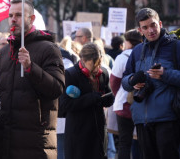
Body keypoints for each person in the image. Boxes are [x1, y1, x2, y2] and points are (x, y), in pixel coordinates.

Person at [0, 0, 65, 159]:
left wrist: (30, 68)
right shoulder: (4, 53)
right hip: (5, 143)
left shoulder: (49, 49)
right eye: (10, 15)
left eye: (19, 15)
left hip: (35, 143)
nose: (13, 19)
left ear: (31, 19)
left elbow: (56, 88)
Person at [122, 8, 180, 159]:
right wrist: (132, 81)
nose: (151, 30)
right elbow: (124, 80)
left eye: (153, 25)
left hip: (168, 119)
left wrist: (165, 74)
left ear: (160, 23)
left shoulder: (175, 47)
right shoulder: (136, 51)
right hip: (142, 120)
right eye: (145, 27)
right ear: (140, 30)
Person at [60, 43, 114, 159]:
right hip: (78, 132)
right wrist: (91, 98)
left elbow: (108, 96)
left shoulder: (103, 73)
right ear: (83, 60)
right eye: (93, 64)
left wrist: (108, 98)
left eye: (99, 63)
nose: (97, 68)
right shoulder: (70, 74)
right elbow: (65, 105)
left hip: (98, 132)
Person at [110, 29, 143, 159]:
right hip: (142, 101)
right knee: (141, 141)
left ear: (127, 42)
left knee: (125, 142)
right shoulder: (145, 53)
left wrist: (118, 94)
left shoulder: (122, 57)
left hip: (124, 103)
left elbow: (114, 81)